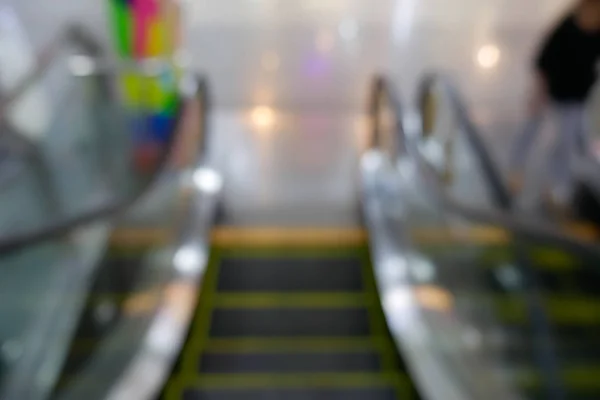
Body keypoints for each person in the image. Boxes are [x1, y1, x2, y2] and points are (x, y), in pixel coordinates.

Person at [510, 0, 600, 207]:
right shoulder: (567, 27)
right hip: (552, 89)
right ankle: (515, 170)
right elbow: (543, 59)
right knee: (530, 129)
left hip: (576, 97)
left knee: (566, 141)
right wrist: (538, 93)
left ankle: (556, 185)